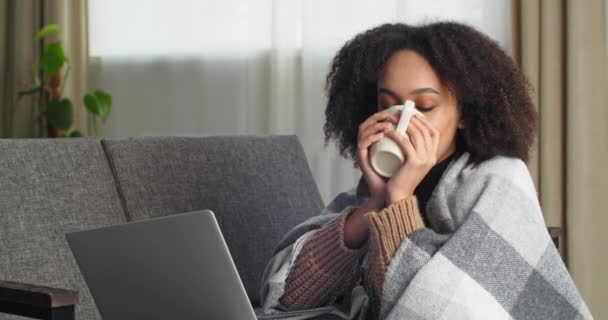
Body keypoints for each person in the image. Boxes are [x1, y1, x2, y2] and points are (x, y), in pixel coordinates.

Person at [258, 22, 591, 320]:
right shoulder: (367, 192)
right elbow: (287, 301)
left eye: (425, 107)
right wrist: (375, 203)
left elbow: (437, 311)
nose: (401, 122)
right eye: (388, 105)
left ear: (464, 113)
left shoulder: (499, 179)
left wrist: (400, 200)